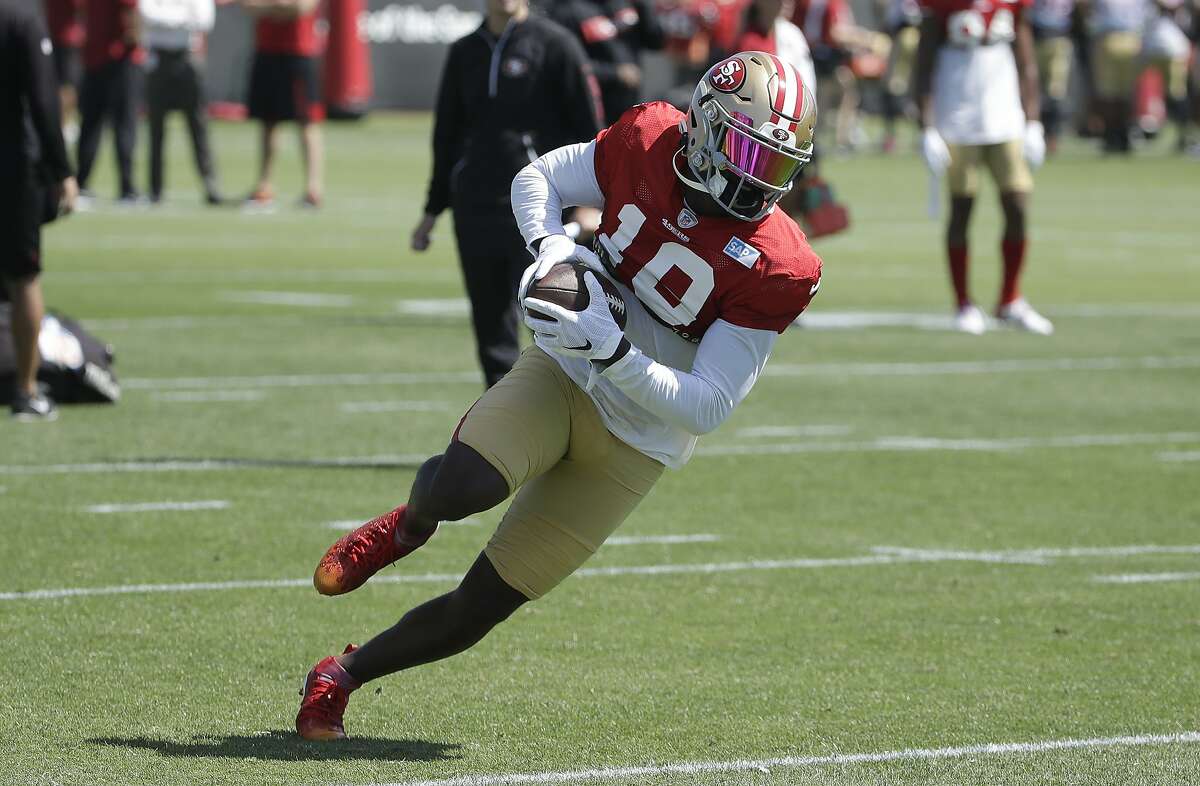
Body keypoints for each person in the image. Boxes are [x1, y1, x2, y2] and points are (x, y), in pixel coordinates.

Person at [295, 50, 822, 740]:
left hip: (640, 438)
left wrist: (617, 352)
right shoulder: (647, 139)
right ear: (703, 127)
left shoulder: (781, 264)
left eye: (778, 166)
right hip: (566, 376)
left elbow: (706, 406)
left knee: (481, 605)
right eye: (749, 155)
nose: (761, 182)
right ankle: (410, 524)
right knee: (463, 485)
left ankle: (340, 675)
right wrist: (547, 248)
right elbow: (538, 175)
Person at [410, 0, 604, 388]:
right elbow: (446, 133)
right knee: (491, 327)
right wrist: (432, 210)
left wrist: (587, 202)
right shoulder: (464, 50)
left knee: (554, 318)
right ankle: (501, 431)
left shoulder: (557, 44)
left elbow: (590, 127)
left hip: (542, 210)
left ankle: (569, 425)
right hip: (475, 204)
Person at [914, 0, 1053, 335]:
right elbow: (924, 64)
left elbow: (1027, 59)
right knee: (963, 208)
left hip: (1004, 113)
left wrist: (1033, 120)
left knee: (1018, 204)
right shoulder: (942, 6)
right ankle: (963, 301)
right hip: (957, 113)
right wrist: (927, 127)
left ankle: (1010, 298)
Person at [1, 0, 78, 420]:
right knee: (23, 276)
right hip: (12, 165)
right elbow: (43, 97)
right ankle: (26, 389)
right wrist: (61, 169)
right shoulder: (21, 16)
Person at [241, 0, 324, 209]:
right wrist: (280, 7)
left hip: (299, 51)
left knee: (307, 122)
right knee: (268, 121)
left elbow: (303, 7)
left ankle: (313, 188)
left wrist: (269, 8)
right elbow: (249, 6)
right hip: (267, 51)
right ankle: (264, 185)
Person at [141, 0, 223, 205]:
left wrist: (167, 17)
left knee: (198, 125)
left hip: (187, 58)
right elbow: (148, 14)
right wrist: (182, 16)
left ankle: (210, 185)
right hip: (158, 59)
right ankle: (155, 189)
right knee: (156, 128)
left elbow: (204, 20)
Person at [548, 0, 665, 123]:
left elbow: (656, 42)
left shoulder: (629, 4)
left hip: (629, 103)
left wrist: (644, 6)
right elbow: (567, 64)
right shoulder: (568, 9)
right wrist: (615, 73)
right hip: (592, 106)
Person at [76, 0, 144, 203]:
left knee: (91, 124)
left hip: (94, 56)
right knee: (124, 125)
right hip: (119, 57)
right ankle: (127, 186)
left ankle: (81, 182)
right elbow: (129, 11)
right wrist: (135, 39)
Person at [1081, 0, 1146, 152]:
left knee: (1112, 93)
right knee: (1119, 93)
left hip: (1113, 37)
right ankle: (1119, 134)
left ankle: (1116, 134)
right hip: (1129, 38)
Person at [1030, 0, 1075, 152]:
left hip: (1059, 38)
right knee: (1033, 89)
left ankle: (1052, 136)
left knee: (1055, 92)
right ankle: (1035, 132)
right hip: (1035, 38)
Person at [880, 0, 923, 152]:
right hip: (910, 34)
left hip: (906, 34)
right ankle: (919, 134)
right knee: (905, 88)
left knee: (894, 87)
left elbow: (909, 14)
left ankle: (893, 137)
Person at [42, 0, 84, 143]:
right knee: (67, 86)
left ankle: (61, 123)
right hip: (67, 39)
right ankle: (62, 124)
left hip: (52, 36)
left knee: (63, 84)